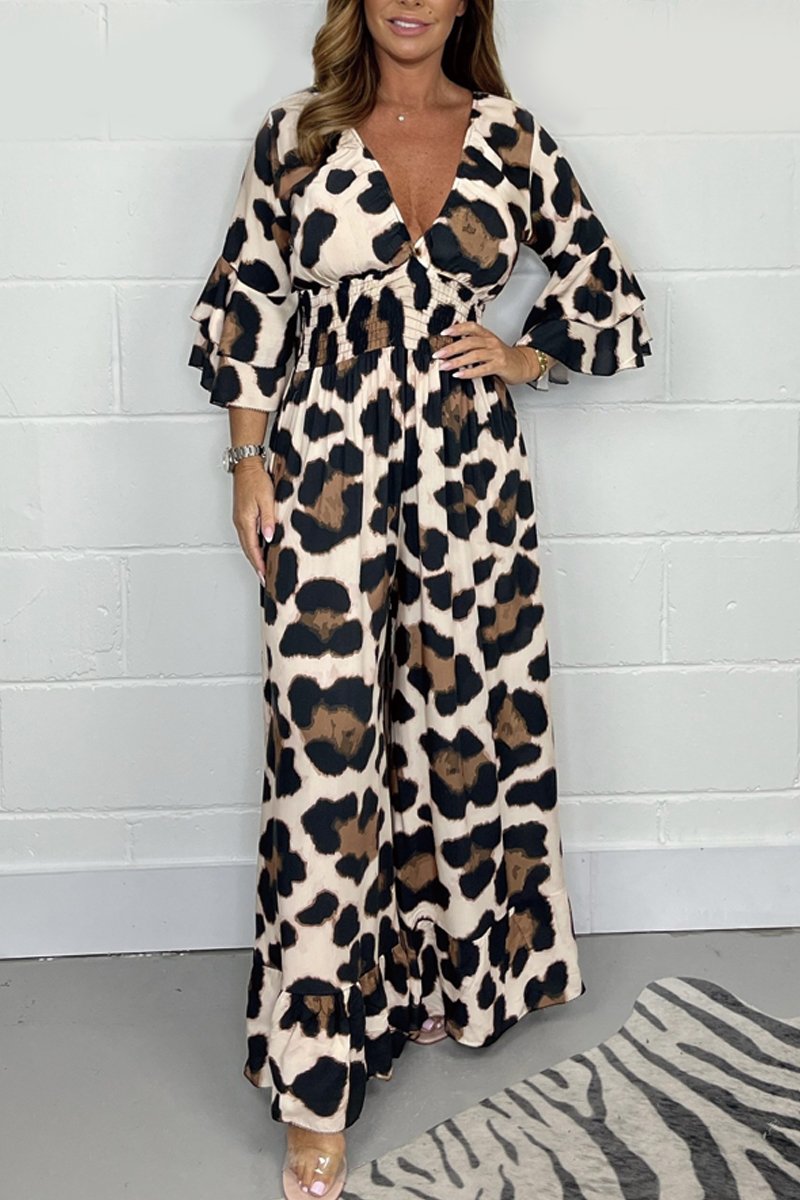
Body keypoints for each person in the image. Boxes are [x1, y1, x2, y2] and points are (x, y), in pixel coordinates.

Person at [188, 1, 653, 1195]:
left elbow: (607, 291)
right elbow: (249, 300)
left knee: (460, 734)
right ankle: (315, 1077)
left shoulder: (510, 137)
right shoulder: (297, 132)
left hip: (469, 473)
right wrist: (246, 461)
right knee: (325, 758)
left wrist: (526, 354)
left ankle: (443, 977)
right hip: (324, 468)